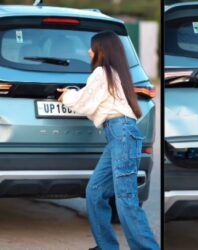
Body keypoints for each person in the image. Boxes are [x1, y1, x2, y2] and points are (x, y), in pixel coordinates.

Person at [57, 31, 159, 250]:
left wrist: (66, 95)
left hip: (121, 134)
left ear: (101, 51)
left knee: (126, 201)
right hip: (119, 136)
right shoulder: (114, 73)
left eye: (92, 47)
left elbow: (83, 102)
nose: (88, 51)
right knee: (95, 192)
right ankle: (106, 246)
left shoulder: (101, 73)